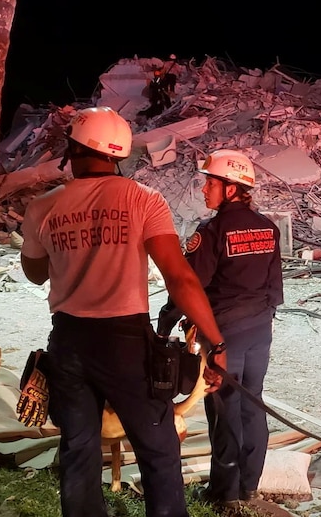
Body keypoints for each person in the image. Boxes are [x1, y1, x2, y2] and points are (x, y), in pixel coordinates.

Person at [20, 106, 228, 517]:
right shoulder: (142, 199)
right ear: (116, 155)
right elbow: (180, 279)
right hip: (126, 345)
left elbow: (33, 274)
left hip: (69, 343)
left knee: (79, 451)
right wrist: (215, 342)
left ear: (73, 148)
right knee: (158, 449)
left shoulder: (42, 208)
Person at [157, 149, 284, 508]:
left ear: (230, 189)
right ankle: (249, 487)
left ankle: (224, 495)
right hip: (260, 331)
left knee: (224, 408)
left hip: (222, 335)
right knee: (252, 404)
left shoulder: (212, 231)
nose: (204, 190)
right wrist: (260, 323)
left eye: (210, 183)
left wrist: (165, 322)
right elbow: (275, 289)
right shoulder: (268, 229)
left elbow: (188, 286)